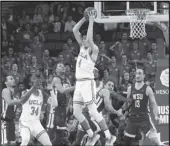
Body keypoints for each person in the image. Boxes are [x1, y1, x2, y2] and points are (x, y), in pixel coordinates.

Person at [72, 11, 118, 145]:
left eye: (87, 38)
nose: (85, 39)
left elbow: (91, 41)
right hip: (79, 84)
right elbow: (75, 29)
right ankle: (92, 134)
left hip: (87, 83)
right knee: (76, 112)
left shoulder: (94, 50)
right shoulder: (82, 47)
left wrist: (91, 21)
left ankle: (109, 136)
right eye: (84, 38)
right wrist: (84, 18)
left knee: (93, 111)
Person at [121, 68, 161, 146]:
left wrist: (156, 115)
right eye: (136, 73)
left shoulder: (148, 89)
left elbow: (153, 104)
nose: (137, 75)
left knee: (155, 142)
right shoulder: (130, 88)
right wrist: (122, 111)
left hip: (144, 118)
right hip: (132, 118)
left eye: (140, 73)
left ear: (144, 76)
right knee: (126, 142)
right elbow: (127, 104)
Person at [1, 75, 36, 145]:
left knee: (13, 144)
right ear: (6, 83)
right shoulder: (5, 90)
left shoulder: (14, 95)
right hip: (5, 122)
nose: (13, 80)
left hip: (11, 122)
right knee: (5, 144)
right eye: (10, 79)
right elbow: (9, 102)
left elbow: (21, 104)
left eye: (13, 78)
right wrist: (21, 100)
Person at [19, 74, 52, 146]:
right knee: (25, 141)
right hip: (25, 122)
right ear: (30, 83)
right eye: (34, 79)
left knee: (48, 143)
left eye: (37, 79)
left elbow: (53, 103)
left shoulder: (41, 92)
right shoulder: (25, 92)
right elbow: (22, 101)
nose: (37, 80)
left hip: (36, 122)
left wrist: (52, 90)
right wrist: (33, 88)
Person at [47, 63, 73, 146]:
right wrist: (76, 86)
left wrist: (70, 104)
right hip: (54, 108)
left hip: (63, 107)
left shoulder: (67, 80)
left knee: (60, 134)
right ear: (56, 70)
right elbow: (62, 90)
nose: (62, 67)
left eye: (63, 66)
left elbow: (71, 94)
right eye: (60, 66)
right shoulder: (56, 79)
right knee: (51, 132)